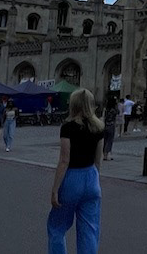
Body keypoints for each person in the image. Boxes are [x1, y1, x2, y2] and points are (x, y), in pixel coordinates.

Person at [47, 88, 104, 254]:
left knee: (57, 226)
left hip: (72, 177)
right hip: (91, 177)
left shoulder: (68, 127)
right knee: (89, 231)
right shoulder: (99, 127)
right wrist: (94, 180)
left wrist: (55, 189)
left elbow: (64, 160)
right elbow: (98, 160)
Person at [101, 96, 120, 161]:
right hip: (111, 125)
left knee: (105, 140)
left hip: (105, 125)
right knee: (110, 140)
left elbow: (103, 116)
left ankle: (104, 154)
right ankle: (108, 154)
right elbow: (118, 112)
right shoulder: (114, 110)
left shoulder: (106, 109)